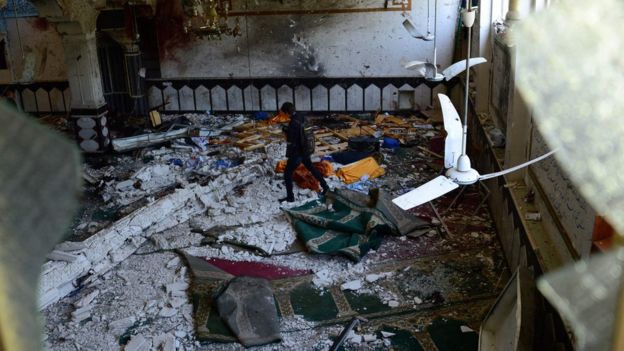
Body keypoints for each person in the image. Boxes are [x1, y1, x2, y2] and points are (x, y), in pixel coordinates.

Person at [279, 102, 329, 203]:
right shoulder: (302, 116)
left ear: (287, 112)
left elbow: (291, 140)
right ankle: (325, 187)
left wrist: (285, 132)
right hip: (306, 150)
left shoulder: (293, 123)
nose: (284, 115)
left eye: (284, 113)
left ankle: (290, 198)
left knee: (287, 173)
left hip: (298, 152)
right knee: (311, 167)